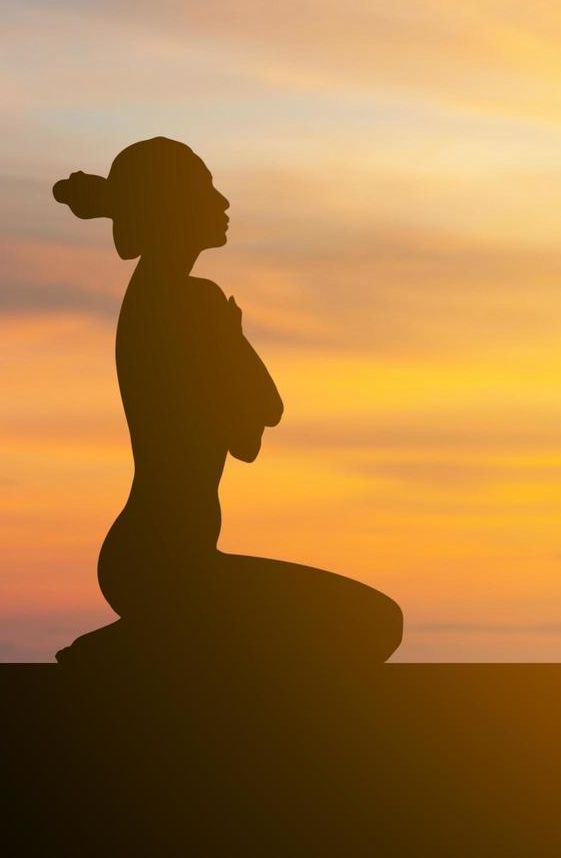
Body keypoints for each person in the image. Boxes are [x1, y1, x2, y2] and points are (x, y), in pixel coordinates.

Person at [51, 137, 402, 673]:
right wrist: (231, 337)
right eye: (204, 190)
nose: (223, 203)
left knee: (355, 625)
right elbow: (254, 428)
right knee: (374, 624)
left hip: (147, 560)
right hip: (167, 566)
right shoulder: (193, 302)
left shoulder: (155, 297)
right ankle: (142, 643)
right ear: (172, 208)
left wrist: (229, 342)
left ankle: (146, 639)